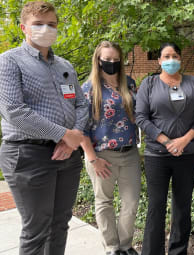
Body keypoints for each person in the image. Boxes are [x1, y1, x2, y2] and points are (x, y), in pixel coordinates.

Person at [0, 1, 88, 254]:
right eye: (38, 24)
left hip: (68, 155)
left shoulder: (65, 66)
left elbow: (82, 106)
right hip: (29, 155)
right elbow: (14, 111)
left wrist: (73, 138)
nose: (46, 29)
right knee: (36, 229)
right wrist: (63, 134)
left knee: (60, 224)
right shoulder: (9, 62)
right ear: (23, 28)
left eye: (51, 24)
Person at [135, 42, 194, 255]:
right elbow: (141, 117)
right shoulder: (148, 84)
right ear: (159, 61)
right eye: (166, 56)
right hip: (157, 155)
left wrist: (185, 140)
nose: (170, 60)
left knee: (182, 206)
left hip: (188, 153)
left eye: (174, 56)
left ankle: (178, 251)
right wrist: (166, 141)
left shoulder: (192, 83)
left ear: (180, 59)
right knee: (156, 206)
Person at [80, 41, 140, 255]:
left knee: (131, 202)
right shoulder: (88, 89)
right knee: (104, 201)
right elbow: (80, 127)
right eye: (107, 59)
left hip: (130, 152)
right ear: (98, 60)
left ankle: (125, 244)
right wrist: (93, 158)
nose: (111, 63)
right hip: (101, 155)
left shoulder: (129, 83)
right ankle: (112, 247)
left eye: (116, 59)